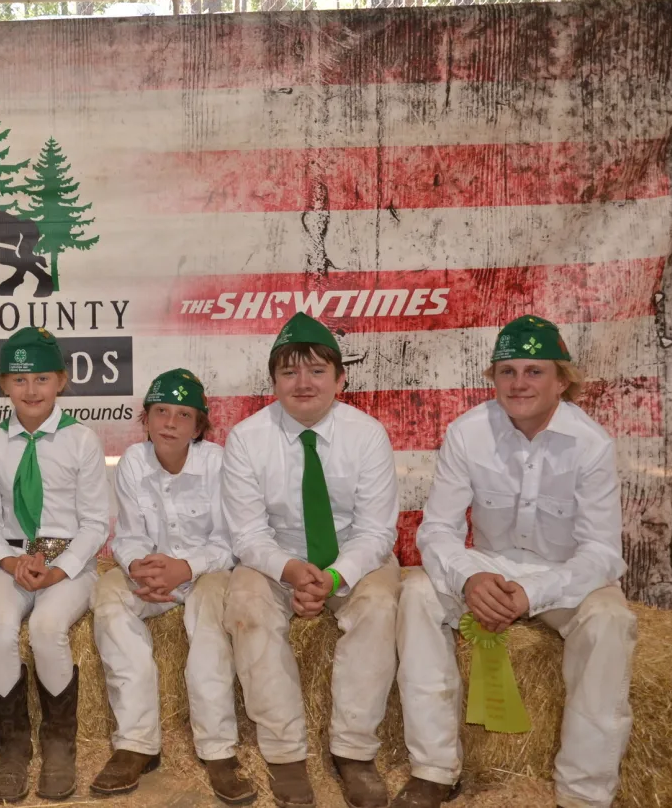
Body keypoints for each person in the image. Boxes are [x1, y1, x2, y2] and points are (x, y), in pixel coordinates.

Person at [393, 315, 637, 808]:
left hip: (565, 576)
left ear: (561, 380)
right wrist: (470, 576)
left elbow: (602, 552)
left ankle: (584, 794)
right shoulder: (468, 432)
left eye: (534, 371)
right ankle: (434, 770)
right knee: (417, 593)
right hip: (488, 565)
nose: (519, 383)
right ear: (493, 378)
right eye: (507, 371)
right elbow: (437, 529)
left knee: (611, 621)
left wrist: (534, 593)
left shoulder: (591, 444)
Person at [220, 313, 400, 808]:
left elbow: (377, 530)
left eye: (317, 371)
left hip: (354, 555)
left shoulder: (367, 435)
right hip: (275, 557)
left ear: (341, 378)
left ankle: (355, 753)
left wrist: (337, 574)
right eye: (289, 372)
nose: (303, 383)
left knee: (379, 608)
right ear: (273, 381)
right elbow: (248, 533)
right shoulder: (246, 438)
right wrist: (291, 571)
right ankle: (284, 755)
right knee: (248, 610)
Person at [89, 369, 247, 803]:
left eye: (183, 415)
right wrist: (139, 566)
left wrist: (185, 568)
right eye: (161, 411)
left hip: (205, 574)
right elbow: (128, 534)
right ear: (146, 418)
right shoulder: (133, 463)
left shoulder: (220, 465)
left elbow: (233, 543)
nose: (170, 423)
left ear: (199, 427)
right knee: (108, 597)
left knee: (211, 611)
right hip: (155, 573)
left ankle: (218, 749)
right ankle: (136, 743)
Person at [0, 327, 111, 802]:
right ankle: (13, 747)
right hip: (12, 558)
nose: (31, 390)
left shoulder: (81, 440)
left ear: (62, 380)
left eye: (41, 378)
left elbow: (97, 521)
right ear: (3, 385)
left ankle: (59, 745)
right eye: (19, 380)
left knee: (47, 627)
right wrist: (10, 560)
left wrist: (61, 568)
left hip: (68, 561)